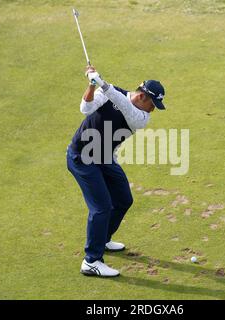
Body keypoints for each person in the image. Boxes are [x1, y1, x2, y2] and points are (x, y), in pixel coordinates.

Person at [67, 66, 166, 277]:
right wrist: (93, 85)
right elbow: (86, 108)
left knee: (123, 199)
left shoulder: (140, 118)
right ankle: (91, 261)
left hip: (103, 158)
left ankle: (102, 239)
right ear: (141, 96)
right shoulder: (110, 93)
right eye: (153, 104)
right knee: (101, 207)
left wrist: (103, 83)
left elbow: (124, 106)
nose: (153, 110)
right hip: (82, 157)